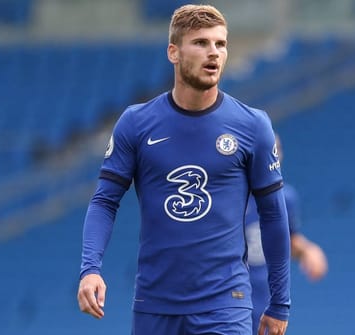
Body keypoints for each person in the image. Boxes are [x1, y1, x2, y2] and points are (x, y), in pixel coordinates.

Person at [77, 4, 291, 335]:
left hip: (225, 305)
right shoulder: (137, 123)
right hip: (155, 305)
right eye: (201, 43)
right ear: (173, 52)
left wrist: (280, 303)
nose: (214, 53)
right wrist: (90, 269)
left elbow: (274, 215)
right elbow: (105, 200)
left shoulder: (252, 125)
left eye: (221, 44)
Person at [245, 134, 328, 334]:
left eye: (276, 150)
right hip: (228, 301)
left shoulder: (285, 198)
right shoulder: (229, 196)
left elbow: (286, 240)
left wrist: (308, 250)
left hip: (265, 303)